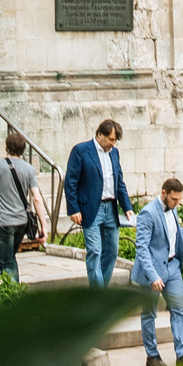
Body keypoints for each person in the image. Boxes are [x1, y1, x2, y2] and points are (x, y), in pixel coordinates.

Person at [132, 177, 183, 366]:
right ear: (164, 193)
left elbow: (173, 234)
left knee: (178, 310)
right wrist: (153, 276)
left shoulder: (172, 209)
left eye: (179, 200)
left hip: (172, 267)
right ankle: (152, 356)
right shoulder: (148, 213)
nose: (178, 203)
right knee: (149, 314)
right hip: (152, 272)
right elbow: (141, 248)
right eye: (174, 199)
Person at [63, 120, 129, 286]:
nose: (112, 144)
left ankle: (101, 291)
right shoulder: (81, 151)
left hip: (111, 208)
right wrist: (74, 209)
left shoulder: (114, 153)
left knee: (112, 251)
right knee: (94, 251)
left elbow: (119, 181)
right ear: (99, 134)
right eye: (110, 139)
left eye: (115, 140)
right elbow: (70, 182)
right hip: (90, 208)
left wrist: (127, 207)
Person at [0, 128, 49, 282]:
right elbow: (37, 198)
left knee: (6, 263)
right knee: (10, 259)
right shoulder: (29, 169)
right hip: (22, 222)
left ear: (6, 148)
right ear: (23, 150)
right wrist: (44, 226)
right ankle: (13, 292)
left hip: (4, 222)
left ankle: (12, 297)